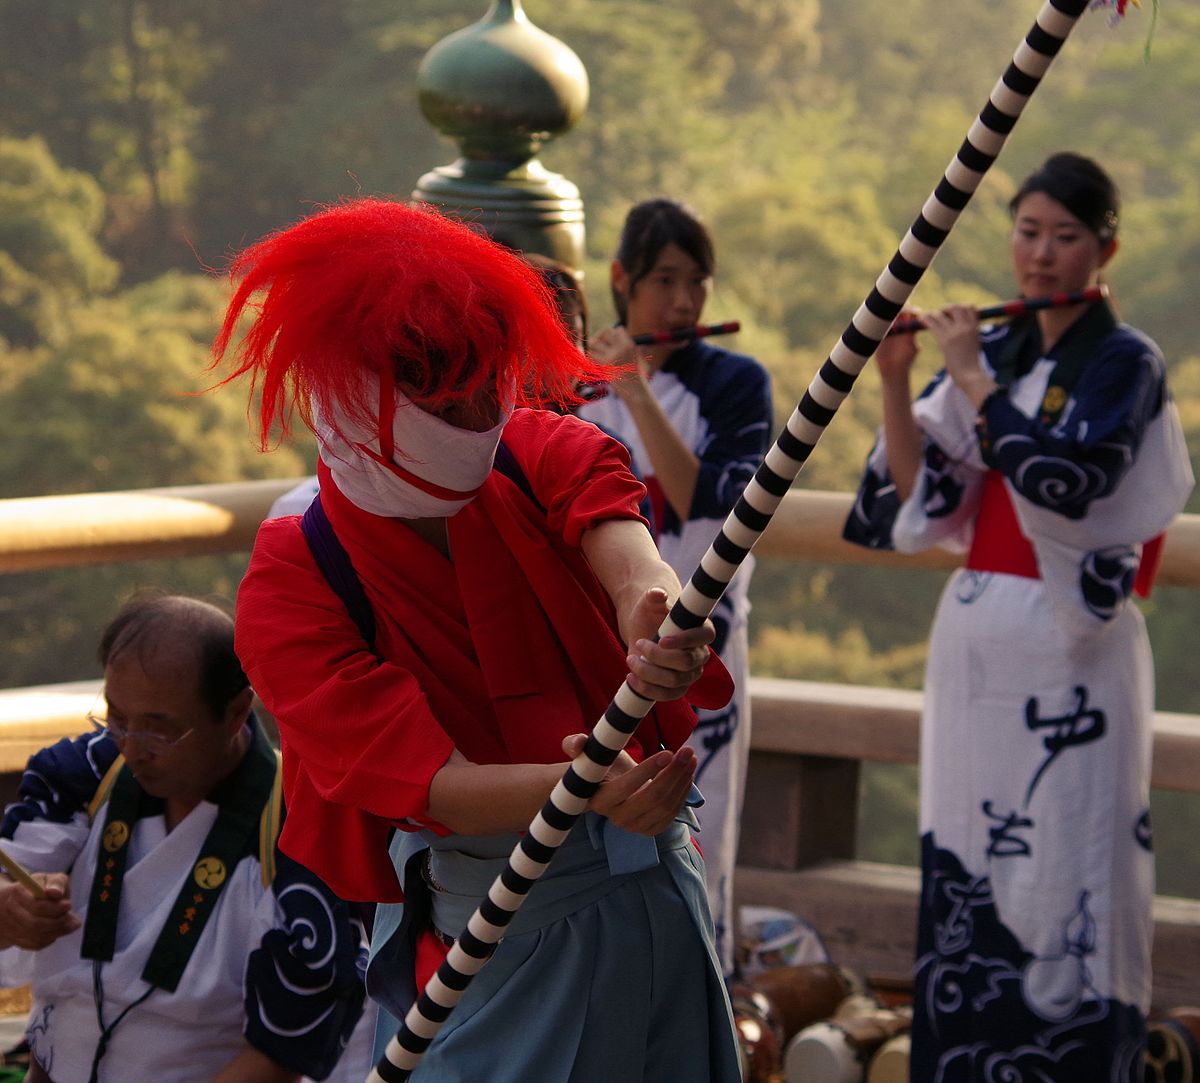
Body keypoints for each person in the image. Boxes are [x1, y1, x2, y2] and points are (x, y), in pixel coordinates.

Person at [214, 198, 744, 1082]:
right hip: (497, 934)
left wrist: (655, 614)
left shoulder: (532, 446)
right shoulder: (292, 581)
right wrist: (588, 789)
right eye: (443, 394)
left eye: (486, 383)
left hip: (658, 896)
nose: (476, 414)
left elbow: (626, 549)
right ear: (354, 392)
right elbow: (435, 785)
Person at [843, 152, 1194, 1079]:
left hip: (1073, 649)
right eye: (1027, 231)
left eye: (1065, 236)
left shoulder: (1127, 361)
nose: (1040, 255)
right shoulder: (998, 347)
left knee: (1071, 854)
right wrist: (897, 378)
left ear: (1104, 248)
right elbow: (915, 504)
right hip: (977, 644)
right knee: (968, 843)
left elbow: (1073, 482)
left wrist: (974, 383)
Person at [0, 595, 365, 1083]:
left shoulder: (295, 828)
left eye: (158, 731)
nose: (131, 749)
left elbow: (286, 1050)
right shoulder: (86, 774)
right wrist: (10, 912)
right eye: (117, 719)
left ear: (237, 712)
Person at [576, 198, 773, 973]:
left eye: (698, 281)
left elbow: (702, 499)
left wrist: (634, 391)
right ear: (623, 279)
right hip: (598, 644)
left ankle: (701, 1010)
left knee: (699, 840)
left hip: (704, 647)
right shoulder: (575, 382)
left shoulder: (735, 383)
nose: (685, 301)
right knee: (594, 845)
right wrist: (600, 381)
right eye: (665, 280)